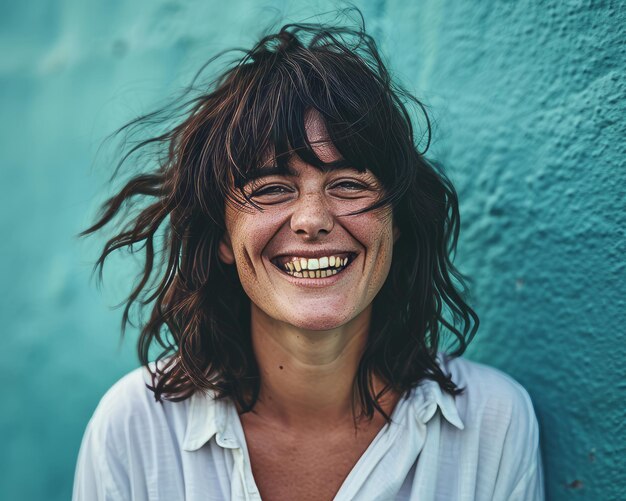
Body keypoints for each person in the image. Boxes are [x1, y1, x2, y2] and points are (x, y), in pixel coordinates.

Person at [73, 14, 544, 501]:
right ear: (221, 236)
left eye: (347, 184)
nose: (311, 219)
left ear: (396, 222)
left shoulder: (494, 424)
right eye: (273, 189)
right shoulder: (135, 428)